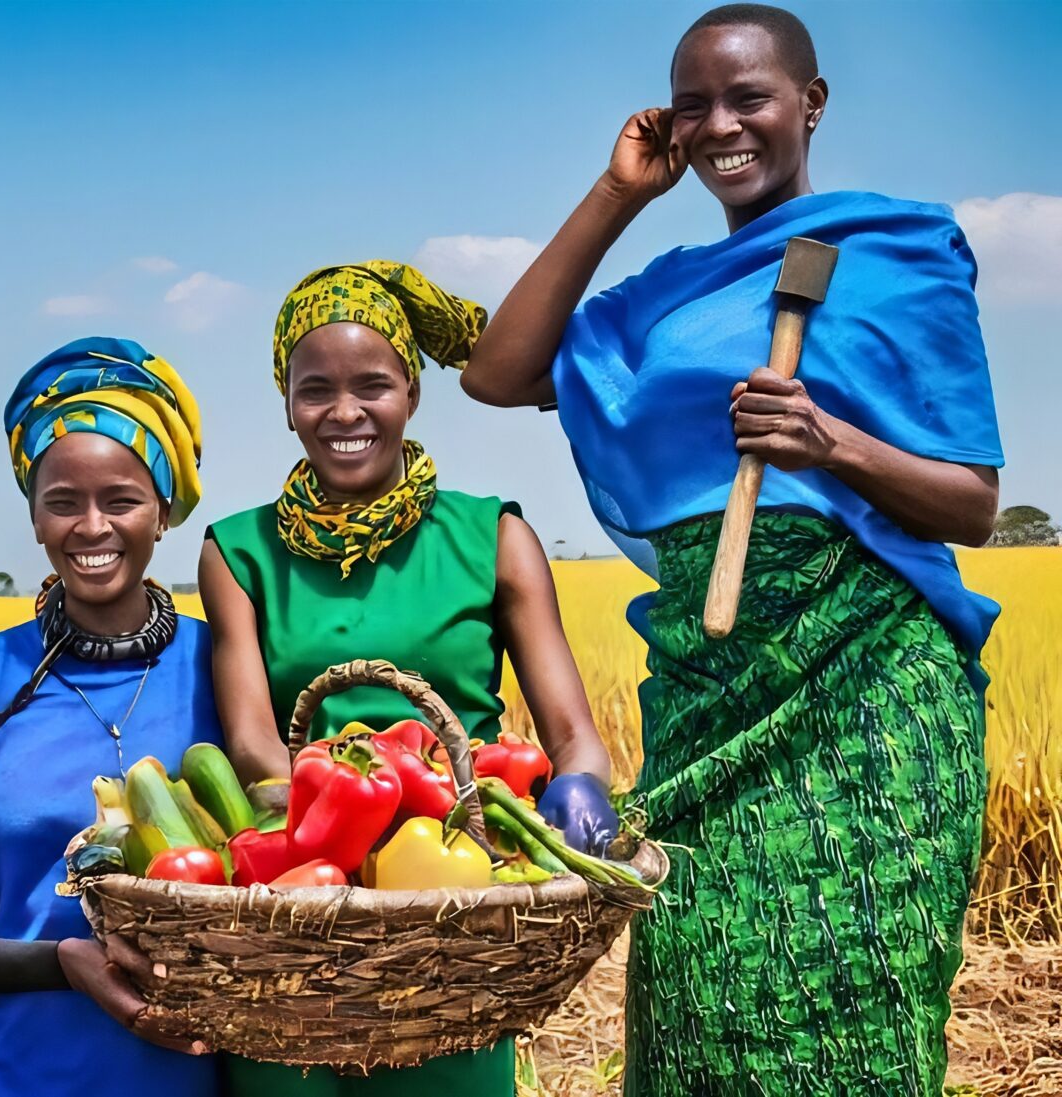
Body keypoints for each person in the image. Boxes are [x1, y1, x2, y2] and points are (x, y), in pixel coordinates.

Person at [459, 6, 1002, 1094]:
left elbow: (975, 503)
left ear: (811, 100)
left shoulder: (898, 253)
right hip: (708, 704)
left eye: (748, 97)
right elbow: (498, 369)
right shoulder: (663, 294)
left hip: (871, 704)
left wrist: (829, 440)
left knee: (863, 1012)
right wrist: (620, 193)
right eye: (694, 104)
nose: (721, 125)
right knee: (699, 1004)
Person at [199, 261, 618, 1094]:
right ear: (286, 401)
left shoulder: (491, 536)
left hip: (456, 918)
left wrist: (583, 787)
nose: (345, 412)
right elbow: (252, 742)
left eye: (374, 385)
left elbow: (572, 734)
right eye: (315, 388)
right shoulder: (235, 551)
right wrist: (338, 862)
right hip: (299, 915)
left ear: (414, 393)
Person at [0, 337, 220, 1097]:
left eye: (123, 500)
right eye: (63, 502)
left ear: (164, 510)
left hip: (186, 1069)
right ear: (35, 518)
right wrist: (64, 964)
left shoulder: (223, 668)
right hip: (17, 1071)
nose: (92, 526)